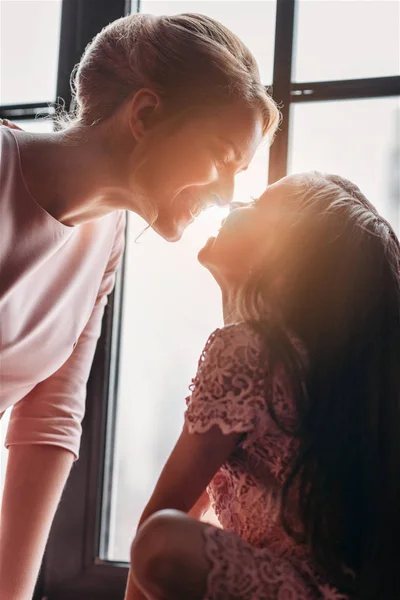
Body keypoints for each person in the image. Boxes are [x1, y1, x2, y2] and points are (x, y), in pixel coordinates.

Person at [0, 12, 279, 599]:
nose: (229, 194)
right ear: (146, 114)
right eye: (223, 156)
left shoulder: (105, 244)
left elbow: (49, 423)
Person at [125, 172, 400, 600]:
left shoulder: (245, 350)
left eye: (256, 204)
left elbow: (164, 510)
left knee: (162, 541)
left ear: (288, 256)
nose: (233, 205)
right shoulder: (321, 366)